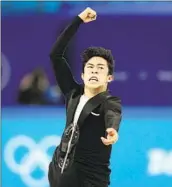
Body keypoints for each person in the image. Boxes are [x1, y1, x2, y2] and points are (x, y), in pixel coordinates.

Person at [48, 7, 122, 187]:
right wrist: (78, 20)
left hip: (90, 180)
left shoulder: (109, 102)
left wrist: (112, 130)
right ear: (82, 75)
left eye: (100, 68)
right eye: (90, 67)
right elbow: (55, 55)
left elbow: (113, 114)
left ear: (109, 77)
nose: (94, 70)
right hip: (60, 175)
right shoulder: (72, 93)